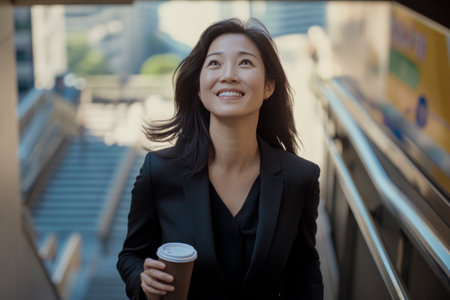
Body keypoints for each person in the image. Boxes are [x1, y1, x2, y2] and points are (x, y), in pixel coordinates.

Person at [117, 18, 323, 300]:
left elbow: (304, 268)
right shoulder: (160, 171)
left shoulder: (300, 178)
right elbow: (131, 255)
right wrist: (143, 279)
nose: (228, 74)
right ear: (200, 88)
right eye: (214, 63)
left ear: (269, 86)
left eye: (245, 63)